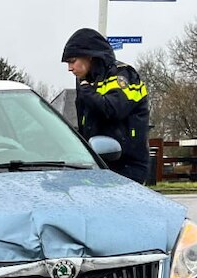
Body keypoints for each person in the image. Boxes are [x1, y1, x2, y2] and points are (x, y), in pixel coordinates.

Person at [61, 28, 151, 184]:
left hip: (127, 166)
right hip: (100, 163)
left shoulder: (123, 76)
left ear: (89, 57)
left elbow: (114, 109)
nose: (69, 68)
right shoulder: (87, 81)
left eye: (72, 61)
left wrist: (87, 90)